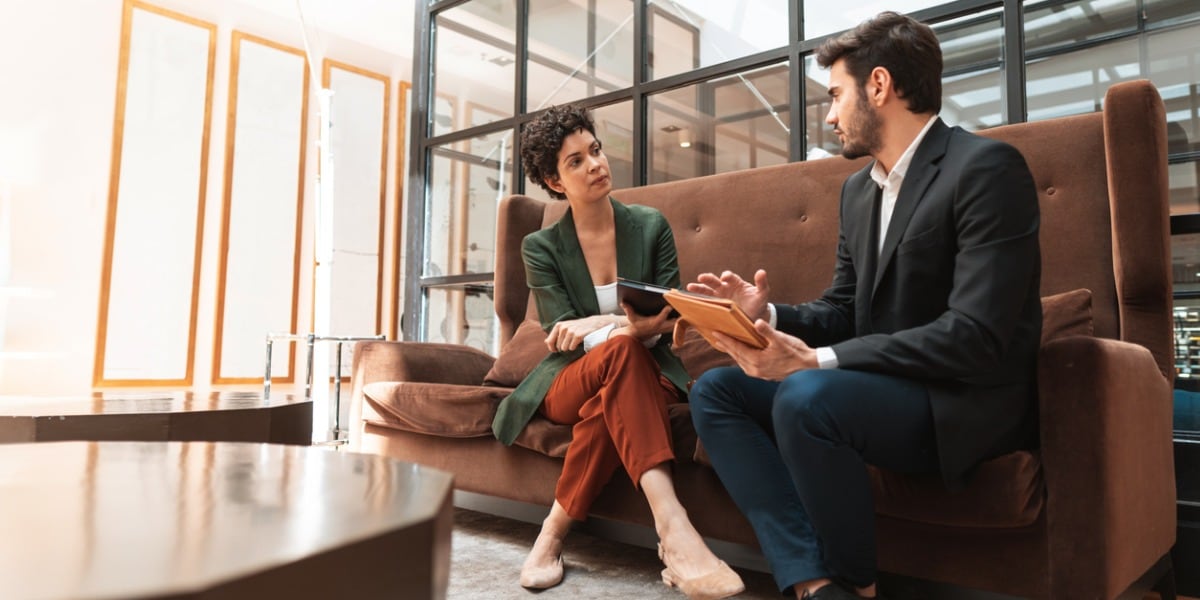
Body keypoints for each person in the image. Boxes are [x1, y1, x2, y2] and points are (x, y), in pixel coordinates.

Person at [687, 11, 1041, 600]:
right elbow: (846, 307)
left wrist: (816, 362)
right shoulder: (857, 191)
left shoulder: (986, 169)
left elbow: (974, 335)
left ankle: (858, 583)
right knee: (715, 391)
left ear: (879, 86)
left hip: (955, 400)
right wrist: (766, 316)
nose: (828, 115)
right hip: (875, 388)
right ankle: (814, 580)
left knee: (805, 394)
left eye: (835, 95)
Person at [492, 104, 745, 599]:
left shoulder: (650, 226)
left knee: (616, 390)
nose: (595, 165)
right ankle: (672, 528)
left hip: (650, 369)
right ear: (554, 180)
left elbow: (672, 316)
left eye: (596, 151)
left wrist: (603, 323)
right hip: (570, 378)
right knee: (621, 356)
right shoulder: (540, 247)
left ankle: (552, 534)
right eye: (576, 162)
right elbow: (564, 335)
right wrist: (623, 327)